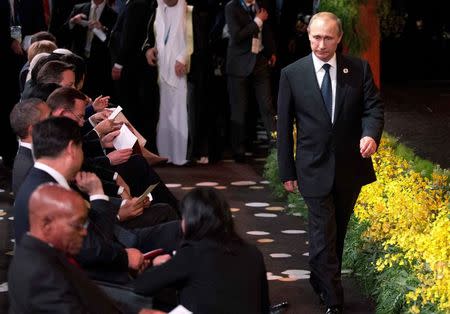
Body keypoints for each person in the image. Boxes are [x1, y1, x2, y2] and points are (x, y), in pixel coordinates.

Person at [277, 12, 384, 314]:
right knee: (323, 230)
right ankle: (334, 299)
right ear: (308, 35)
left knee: (337, 230)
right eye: (315, 37)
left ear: (338, 39)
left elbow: (373, 108)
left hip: (349, 167)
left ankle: (320, 277)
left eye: (327, 38)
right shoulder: (292, 74)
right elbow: (284, 128)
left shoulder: (358, 69)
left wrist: (371, 136)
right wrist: (286, 170)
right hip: (311, 167)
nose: (320, 44)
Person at [8, 183, 164, 314]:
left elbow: (90, 295)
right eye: (77, 224)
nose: (83, 232)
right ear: (46, 225)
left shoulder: (45, 250)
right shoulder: (40, 274)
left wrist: (136, 311)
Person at [133, 187, 270, 313]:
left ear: (190, 220)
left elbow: (139, 287)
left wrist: (155, 266)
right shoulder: (253, 252)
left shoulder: (193, 253)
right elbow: (264, 306)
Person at [225, 0, 276, 162]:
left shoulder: (260, 5)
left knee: (267, 105)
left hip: (259, 60)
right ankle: (238, 150)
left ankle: (276, 145)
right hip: (239, 63)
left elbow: (266, 31)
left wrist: (271, 51)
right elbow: (237, 35)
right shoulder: (231, 7)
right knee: (239, 109)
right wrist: (257, 21)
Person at [147, 0, 191, 166]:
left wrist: (183, 58)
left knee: (181, 114)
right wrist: (149, 49)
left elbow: (193, 38)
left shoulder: (187, 8)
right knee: (165, 114)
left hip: (181, 70)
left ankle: (181, 156)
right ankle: (165, 155)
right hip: (162, 68)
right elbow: (153, 36)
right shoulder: (157, 8)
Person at [9, 98, 51, 195]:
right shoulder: (32, 167)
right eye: (49, 117)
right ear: (33, 130)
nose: (55, 120)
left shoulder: (31, 155)